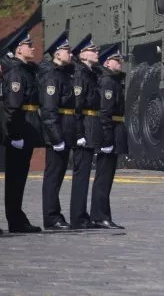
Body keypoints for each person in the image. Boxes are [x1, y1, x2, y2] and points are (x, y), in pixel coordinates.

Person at [1, 27, 43, 233]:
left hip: (25, 129)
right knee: (15, 179)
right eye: (29, 45)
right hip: (18, 130)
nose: (33, 48)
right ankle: (15, 219)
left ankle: (17, 218)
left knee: (19, 179)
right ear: (18, 50)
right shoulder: (16, 73)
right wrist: (14, 135)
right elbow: (12, 107)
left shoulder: (26, 70)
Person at [39, 30, 75, 230]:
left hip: (65, 131)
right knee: (53, 177)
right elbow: (49, 110)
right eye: (66, 50)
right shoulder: (52, 77)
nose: (70, 53)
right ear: (57, 53)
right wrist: (56, 138)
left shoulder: (63, 75)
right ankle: (51, 217)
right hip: (57, 133)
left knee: (58, 176)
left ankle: (55, 215)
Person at [91, 43, 128, 229]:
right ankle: (100, 216)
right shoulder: (107, 82)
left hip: (114, 128)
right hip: (109, 131)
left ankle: (101, 214)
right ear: (107, 63)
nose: (119, 62)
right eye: (116, 59)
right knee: (103, 177)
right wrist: (107, 139)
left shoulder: (113, 80)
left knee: (107, 176)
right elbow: (105, 112)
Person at [69, 34, 101, 229]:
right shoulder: (80, 74)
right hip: (84, 129)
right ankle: (77, 217)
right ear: (82, 54)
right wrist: (79, 134)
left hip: (90, 126)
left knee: (84, 174)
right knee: (81, 175)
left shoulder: (89, 72)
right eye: (93, 50)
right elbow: (77, 107)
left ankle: (81, 215)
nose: (97, 53)